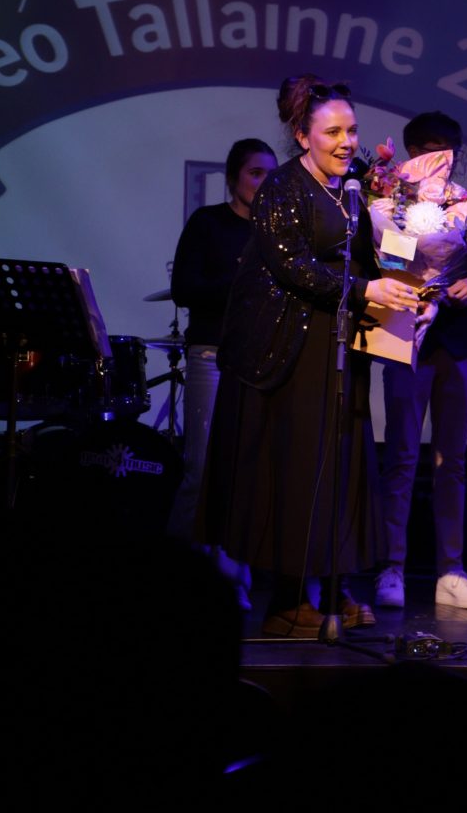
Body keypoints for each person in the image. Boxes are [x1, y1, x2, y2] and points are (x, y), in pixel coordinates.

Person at [205, 74, 417, 638]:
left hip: (340, 345)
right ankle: (288, 597)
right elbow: (291, 265)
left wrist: (413, 288)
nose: (347, 142)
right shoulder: (282, 187)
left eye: (352, 130)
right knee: (296, 468)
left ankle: (336, 582)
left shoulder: (356, 187)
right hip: (287, 350)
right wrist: (365, 289)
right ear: (303, 136)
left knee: (342, 464)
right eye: (333, 132)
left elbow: (378, 255)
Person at [374, 111, 467, 610]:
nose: (440, 160)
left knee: (453, 460)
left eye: (449, 151)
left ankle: (451, 569)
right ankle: (392, 566)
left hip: (458, 341)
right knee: (402, 456)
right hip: (406, 337)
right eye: (429, 150)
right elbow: (391, 266)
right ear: (410, 153)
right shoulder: (391, 206)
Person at [167, 138, 278, 607]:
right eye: (255, 173)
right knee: (201, 467)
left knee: (249, 469)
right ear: (233, 178)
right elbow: (184, 288)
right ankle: (180, 567)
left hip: (262, 362)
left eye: (271, 175)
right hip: (212, 355)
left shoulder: (279, 232)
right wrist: (243, 280)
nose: (264, 183)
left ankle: (233, 567)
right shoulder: (209, 223)